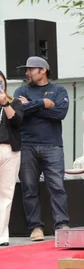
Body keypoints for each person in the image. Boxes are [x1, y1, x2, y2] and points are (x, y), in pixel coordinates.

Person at [14, 56, 70, 241]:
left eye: (31, 69)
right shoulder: (21, 90)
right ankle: (35, 227)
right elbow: (18, 113)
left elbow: (60, 113)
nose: (27, 73)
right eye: (27, 69)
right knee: (29, 189)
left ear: (43, 70)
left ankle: (62, 224)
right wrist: (41, 104)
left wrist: (30, 105)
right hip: (26, 145)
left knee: (57, 187)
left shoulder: (58, 90)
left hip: (52, 145)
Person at [0, 71, 24, 247]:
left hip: (9, 150)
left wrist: (4, 103)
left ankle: (2, 235)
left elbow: (16, 121)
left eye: (0, 83)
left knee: (6, 194)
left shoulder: (14, 102)